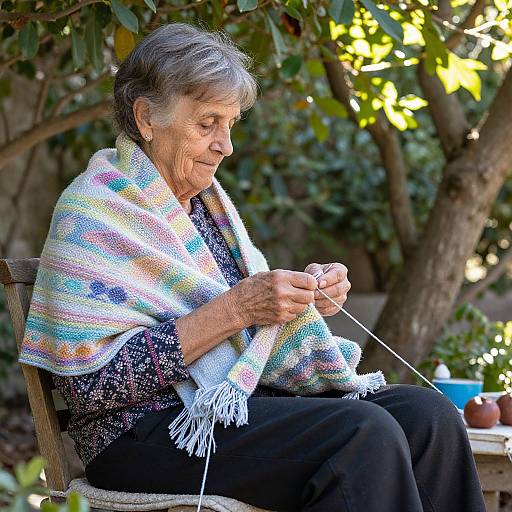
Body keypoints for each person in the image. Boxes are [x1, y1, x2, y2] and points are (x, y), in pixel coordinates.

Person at [18, 23, 486, 512]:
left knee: (429, 416)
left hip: (227, 409)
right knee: (362, 435)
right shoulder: (93, 213)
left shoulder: (206, 209)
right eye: (207, 124)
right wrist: (241, 307)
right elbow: (92, 387)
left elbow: (239, 325)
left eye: (231, 123)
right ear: (146, 118)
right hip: (141, 436)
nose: (226, 144)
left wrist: (300, 296)